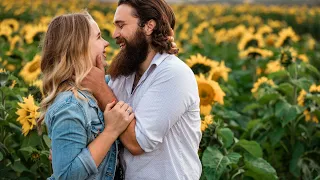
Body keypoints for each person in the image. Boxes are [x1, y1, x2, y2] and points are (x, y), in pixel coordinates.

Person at [81, 0, 202, 179]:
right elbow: (98, 116)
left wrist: (100, 88)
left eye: (121, 26)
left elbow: (138, 143)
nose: (115, 34)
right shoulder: (125, 73)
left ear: (148, 26)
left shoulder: (174, 74)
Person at [37, 11, 134, 179]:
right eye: (98, 37)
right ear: (78, 47)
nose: (106, 43)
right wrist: (110, 132)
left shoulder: (96, 90)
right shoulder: (70, 106)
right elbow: (66, 176)